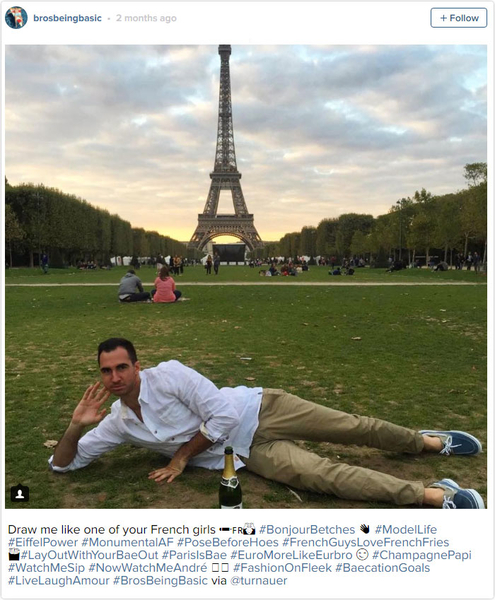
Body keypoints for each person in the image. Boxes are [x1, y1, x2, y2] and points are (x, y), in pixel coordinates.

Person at [49, 338, 484, 509]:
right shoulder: (119, 422)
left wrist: (181, 458)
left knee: (352, 427)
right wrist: (75, 426)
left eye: (121, 367)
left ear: (137, 366)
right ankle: (433, 495)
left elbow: (223, 414)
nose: (115, 377)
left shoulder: (171, 375)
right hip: (243, 453)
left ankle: (426, 443)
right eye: (106, 371)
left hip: (260, 409)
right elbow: (64, 465)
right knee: (322, 476)